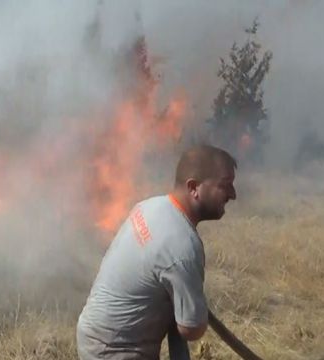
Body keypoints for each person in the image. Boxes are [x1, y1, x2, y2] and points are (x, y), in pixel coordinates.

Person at [77, 144, 237, 360]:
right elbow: (191, 329)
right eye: (225, 185)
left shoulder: (149, 206)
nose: (233, 194)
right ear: (193, 188)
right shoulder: (183, 247)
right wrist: (191, 301)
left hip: (93, 333)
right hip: (115, 352)